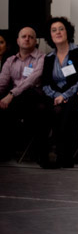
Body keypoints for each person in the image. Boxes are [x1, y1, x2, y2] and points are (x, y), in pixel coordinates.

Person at [38, 17, 78, 168]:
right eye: (54, 30)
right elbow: (45, 83)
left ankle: (64, 156)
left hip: (76, 95)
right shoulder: (48, 58)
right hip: (54, 97)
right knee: (41, 109)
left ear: (68, 32)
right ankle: (44, 156)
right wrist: (55, 96)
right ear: (50, 35)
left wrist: (65, 96)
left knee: (62, 110)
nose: (58, 32)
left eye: (61, 29)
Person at [0, 26, 45, 161]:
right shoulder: (10, 60)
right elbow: (2, 82)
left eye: (31, 37)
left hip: (34, 97)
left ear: (35, 41)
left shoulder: (42, 58)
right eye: (24, 36)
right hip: (14, 100)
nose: (27, 39)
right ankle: (5, 152)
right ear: (18, 41)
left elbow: (32, 80)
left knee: (27, 94)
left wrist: (11, 94)